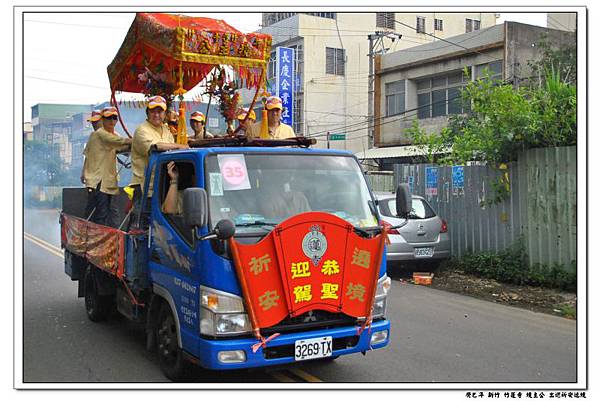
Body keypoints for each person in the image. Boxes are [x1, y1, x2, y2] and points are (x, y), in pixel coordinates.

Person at [130, 95, 188, 228]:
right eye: (153, 111)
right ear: (147, 113)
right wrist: (180, 146)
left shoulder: (167, 131)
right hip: (145, 188)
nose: (156, 115)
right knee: (143, 228)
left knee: (162, 226)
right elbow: (155, 147)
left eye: (160, 111)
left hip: (163, 185)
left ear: (165, 113)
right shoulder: (142, 130)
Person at [82, 106, 132, 227]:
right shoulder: (98, 135)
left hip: (109, 179)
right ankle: (94, 236)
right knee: (100, 212)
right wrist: (141, 141)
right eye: (108, 118)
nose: (94, 124)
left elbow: (116, 150)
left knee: (112, 210)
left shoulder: (113, 135)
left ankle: (113, 236)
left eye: (113, 118)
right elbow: (88, 156)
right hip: (97, 180)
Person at [80, 109, 103, 184]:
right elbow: (87, 155)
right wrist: (83, 172)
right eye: (93, 122)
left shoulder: (111, 135)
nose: (94, 124)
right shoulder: (92, 137)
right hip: (93, 177)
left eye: (96, 122)